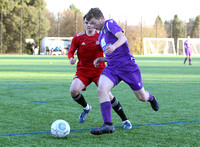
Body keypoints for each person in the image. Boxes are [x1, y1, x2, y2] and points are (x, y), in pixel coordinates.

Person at [85, 8, 159, 135]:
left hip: (127, 67)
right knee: (101, 89)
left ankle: (150, 97)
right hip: (113, 68)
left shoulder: (109, 23)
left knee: (142, 97)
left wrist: (114, 45)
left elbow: (123, 38)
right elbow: (111, 54)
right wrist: (101, 58)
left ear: (101, 18)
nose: (91, 25)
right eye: (89, 23)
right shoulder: (101, 34)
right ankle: (108, 124)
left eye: (93, 22)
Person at [68, 15, 132, 130]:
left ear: (94, 23)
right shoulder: (78, 37)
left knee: (108, 95)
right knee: (73, 90)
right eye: (86, 22)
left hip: (100, 71)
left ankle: (125, 120)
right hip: (83, 71)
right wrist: (71, 59)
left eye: (91, 23)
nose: (89, 25)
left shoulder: (101, 36)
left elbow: (110, 52)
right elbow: (71, 51)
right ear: (84, 24)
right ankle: (86, 107)